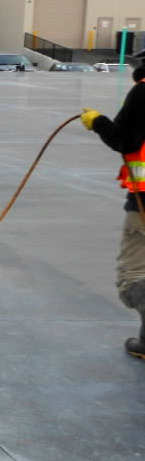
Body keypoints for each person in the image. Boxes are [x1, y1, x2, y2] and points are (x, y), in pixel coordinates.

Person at [82, 49, 145, 360]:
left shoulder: (144, 92)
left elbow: (124, 141)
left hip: (144, 202)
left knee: (133, 276)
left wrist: (98, 122)